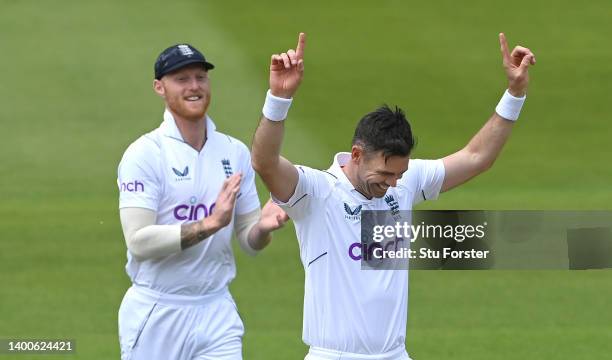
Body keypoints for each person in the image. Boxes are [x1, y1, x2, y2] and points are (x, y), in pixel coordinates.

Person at [251, 33, 536, 359]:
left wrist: (515, 93)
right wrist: (278, 98)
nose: (392, 183)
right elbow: (265, 162)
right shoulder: (316, 192)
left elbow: (476, 157)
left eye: (399, 174)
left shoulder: (404, 183)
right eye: (384, 174)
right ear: (356, 155)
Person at [117, 43, 288, 360]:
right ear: (159, 87)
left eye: (200, 77)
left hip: (215, 310)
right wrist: (210, 224)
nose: (194, 86)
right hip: (157, 312)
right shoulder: (144, 154)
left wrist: (262, 228)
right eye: (181, 79)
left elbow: (249, 241)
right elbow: (139, 242)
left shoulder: (234, 152)